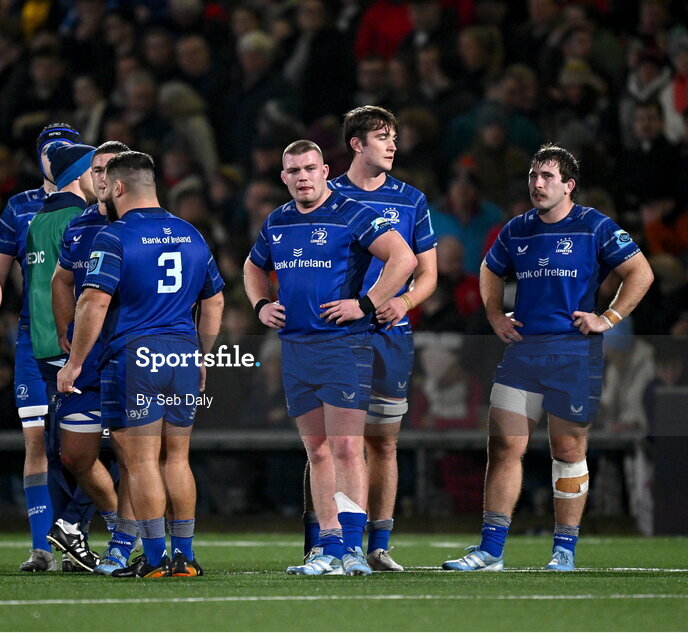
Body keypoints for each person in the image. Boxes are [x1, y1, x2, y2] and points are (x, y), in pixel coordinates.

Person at [443, 144, 654, 572]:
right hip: (522, 353)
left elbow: (641, 272)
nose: (538, 184)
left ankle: (564, 551)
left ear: (569, 185)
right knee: (503, 447)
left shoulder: (594, 226)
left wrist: (607, 317)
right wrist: (494, 314)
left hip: (573, 354)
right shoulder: (516, 229)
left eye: (548, 177)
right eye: (533, 176)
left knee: (568, 449)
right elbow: (488, 269)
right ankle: (491, 550)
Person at [243, 140, 416, 576]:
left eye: (310, 168)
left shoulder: (351, 211)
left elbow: (403, 257)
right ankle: (328, 548)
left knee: (345, 447)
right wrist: (261, 304)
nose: (302, 176)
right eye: (293, 170)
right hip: (295, 349)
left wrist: (368, 302)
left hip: (343, 347)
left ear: (325, 171)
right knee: (317, 451)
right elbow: (251, 266)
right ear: (283, 177)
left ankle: (353, 550)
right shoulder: (276, 221)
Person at [58, 151, 225, 578]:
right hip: (182, 352)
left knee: (142, 462)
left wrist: (74, 364)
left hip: (136, 355)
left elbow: (93, 301)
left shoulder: (114, 236)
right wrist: (202, 353)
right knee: (178, 459)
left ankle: (152, 561)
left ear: (117, 187)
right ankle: (184, 558)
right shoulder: (192, 234)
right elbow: (214, 299)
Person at [311, 105, 438, 572]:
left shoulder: (412, 200)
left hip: (389, 336)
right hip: (336, 336)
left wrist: (404, 303)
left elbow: (428, 275)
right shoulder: (325, 194)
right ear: (356, 144)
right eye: (382, 137)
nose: (392, 145)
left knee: (382, 443)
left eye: (395, 137)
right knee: (326, 444)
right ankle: (322, 541)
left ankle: (378, 545)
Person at [0, 123, 86, 572]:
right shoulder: (20, 208)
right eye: (49, 150)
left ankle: (78, 535)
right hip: (32, 341)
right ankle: (42, 546)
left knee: (81, 444)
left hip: (84, 342)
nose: (54, 156)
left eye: (63, 150)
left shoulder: (94, 207)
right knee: (38, 441)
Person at [50, 140, 137, 575]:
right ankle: (125, 525)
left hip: (131, 359)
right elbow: (61, 280)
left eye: (109, 169)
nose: (102, 177)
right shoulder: (80, 225)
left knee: (135, 456)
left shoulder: (145, 226)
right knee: (75, 456)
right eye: (96, 169)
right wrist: (70, 334)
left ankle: (135, 539)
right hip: (87, 360)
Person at [20, 139, 105, 572]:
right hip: (76, 348)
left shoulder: (37, 220)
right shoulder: (80, 218)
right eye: (97, 171)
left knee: (59, 451)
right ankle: (74, 526)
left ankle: (66, 538)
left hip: (41, 347)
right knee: (110, 449)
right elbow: (79, 287)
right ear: (81, 175)